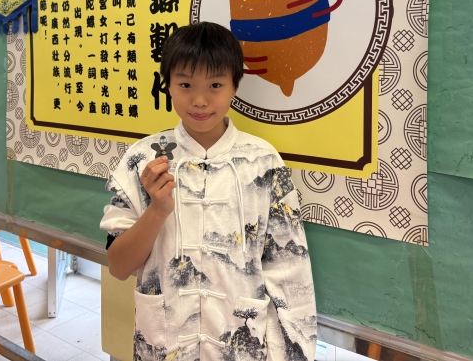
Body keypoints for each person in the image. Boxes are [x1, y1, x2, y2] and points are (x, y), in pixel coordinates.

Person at [101, 22, 317, 361]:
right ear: (168, 85)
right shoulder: (142, 160)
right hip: (165, 345)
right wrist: (157, 210)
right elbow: (117, 266)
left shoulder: (263, 162)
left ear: (234, 87)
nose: (199, 100)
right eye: (185, 84)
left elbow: (290, 274)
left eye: (215, 85)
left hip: (241, 346)